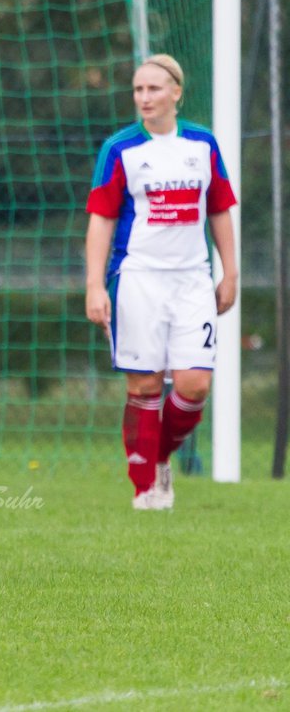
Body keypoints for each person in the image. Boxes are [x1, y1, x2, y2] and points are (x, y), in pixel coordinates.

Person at [84, 53, 237, 510]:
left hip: (193, 281)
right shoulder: (120, 149)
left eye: (153, 89)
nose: (144, 98)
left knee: (194, 386)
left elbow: (219, 210)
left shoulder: (202, 145)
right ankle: (145, 486)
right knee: (145, 387)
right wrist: (95, 285)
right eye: (137, 90)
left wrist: (231, 271)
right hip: (137, 281)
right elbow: (100, 219)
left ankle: (159, 456)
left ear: (176, 93)